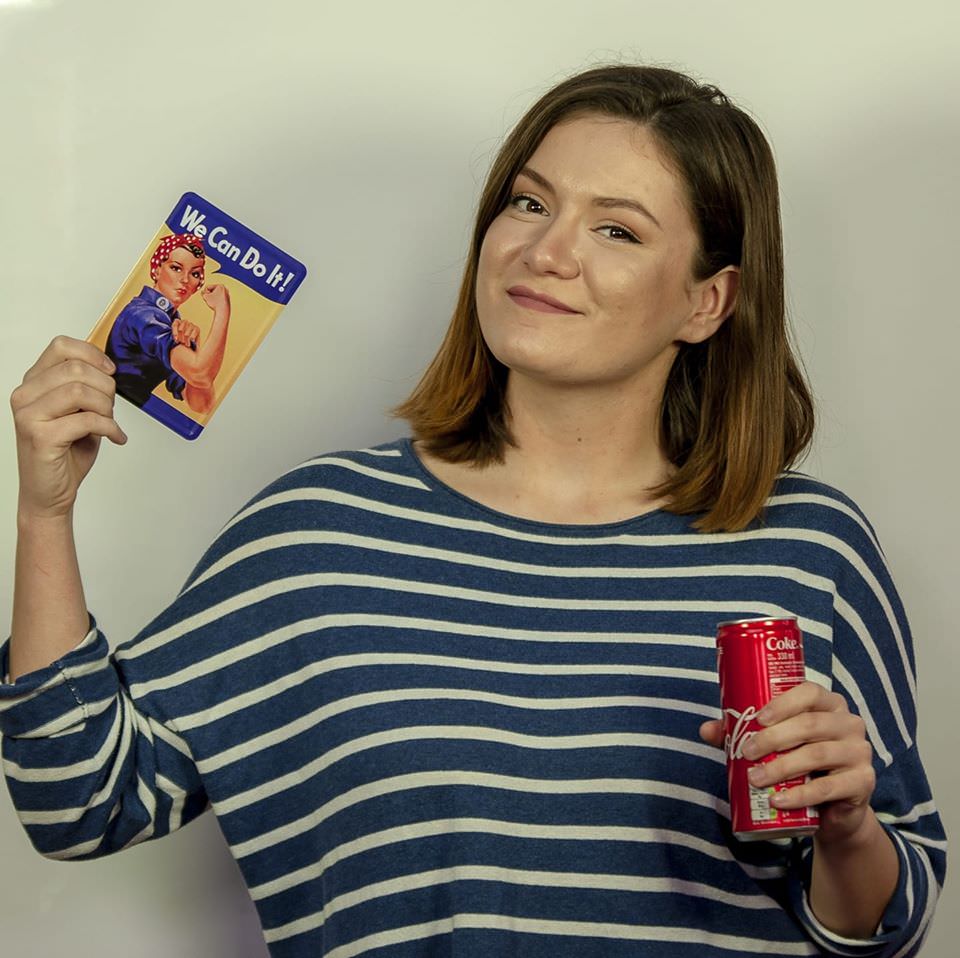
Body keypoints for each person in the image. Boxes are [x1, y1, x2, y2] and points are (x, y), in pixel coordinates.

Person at [2, 64, 945, 957]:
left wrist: (848, 829)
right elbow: (78, 799)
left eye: (617, 230)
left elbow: (888, 929)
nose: (546, 252)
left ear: (708, 301)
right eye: (529, 203)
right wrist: (45, 514)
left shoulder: (806, 550)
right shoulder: (320, 534)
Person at [105, 233, 231, 415]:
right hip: (110, 404)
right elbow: (200, 374)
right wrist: (223, 311)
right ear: (157, 269)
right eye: (176, 268)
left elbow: (202, 405)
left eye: (195, 274)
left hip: (127, 412)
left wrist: (193, 349)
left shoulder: (171, 321)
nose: (185, 279)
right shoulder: (144, 315)